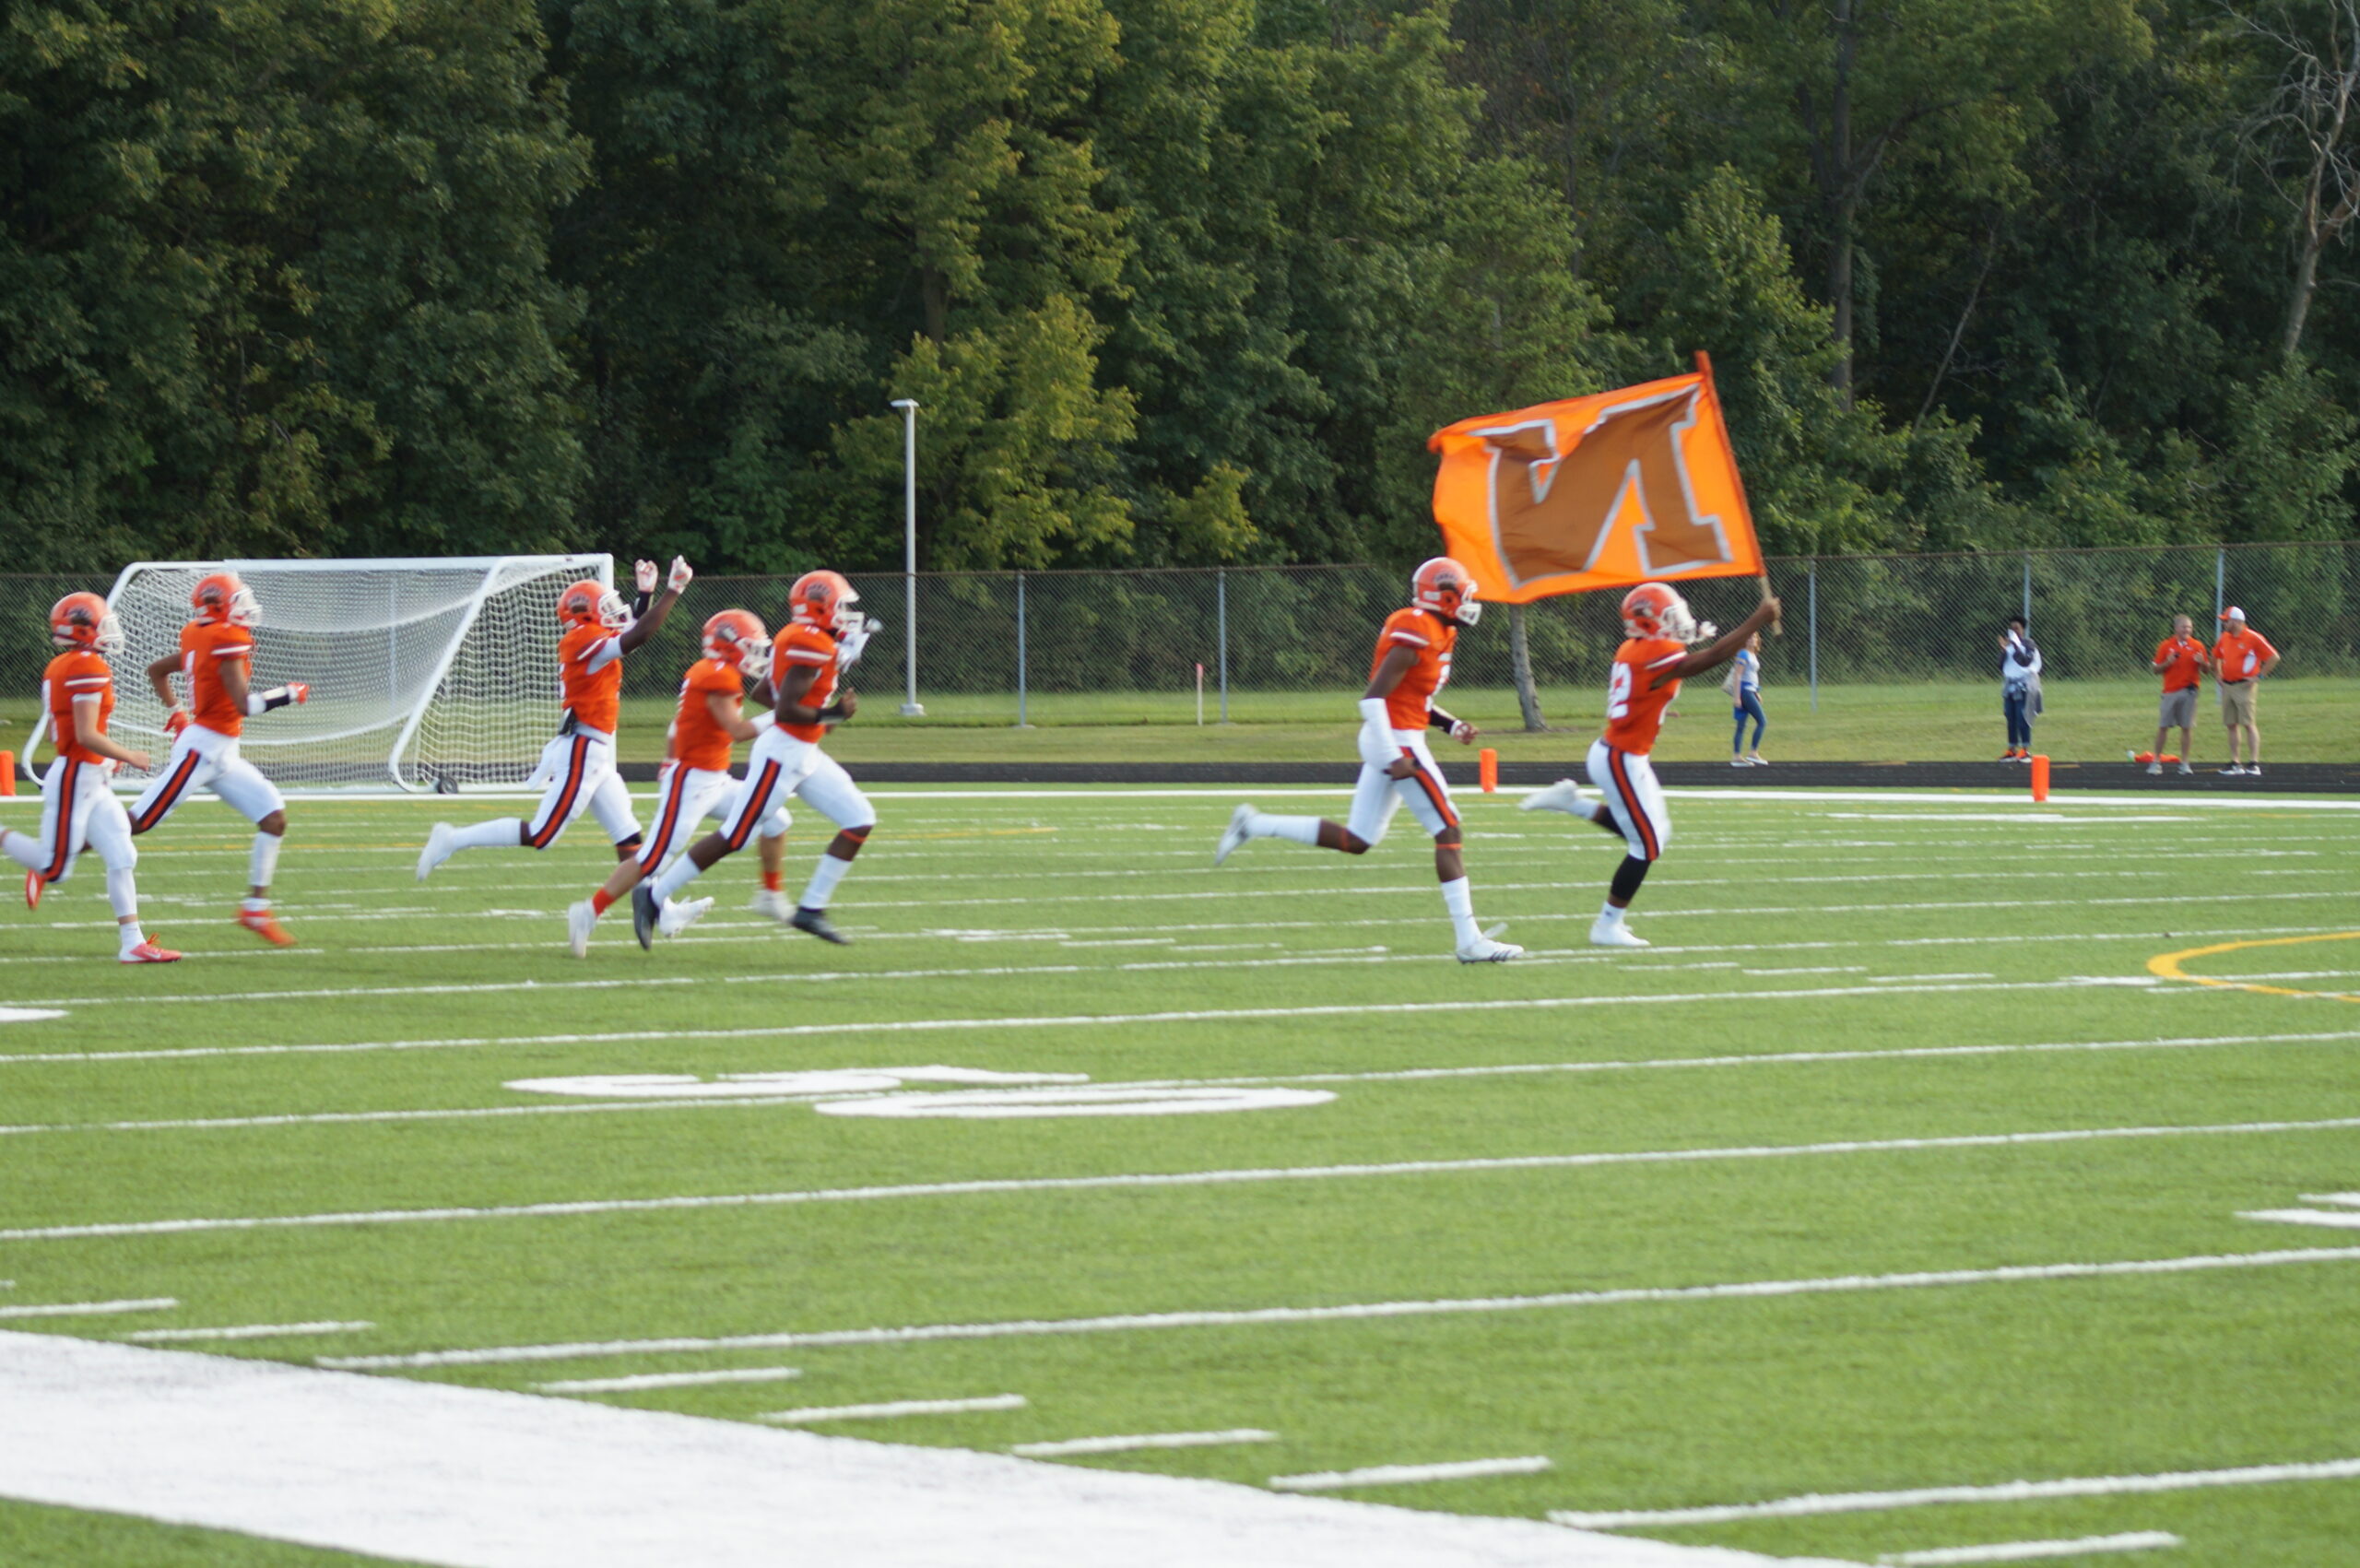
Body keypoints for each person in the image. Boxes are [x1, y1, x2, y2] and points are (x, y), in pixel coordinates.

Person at [1213, 559, 1520, 962]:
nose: (1468, 603)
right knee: (1448, 829)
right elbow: (1373, 698)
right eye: (1462, 596)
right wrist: (1394, 757)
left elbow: (1414, 699)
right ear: (1444, 598)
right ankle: (1469, 941)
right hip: (1393, 740)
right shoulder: (1417, 629)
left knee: (1358, 840)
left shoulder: (1439, 630)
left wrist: (1451, 725)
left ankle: (1253, 823)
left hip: (1397, 734)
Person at [1520, 582, 1780, 949]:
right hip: (1620, 757)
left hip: (1622, 753)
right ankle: (1607, 925)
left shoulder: (1636, 646)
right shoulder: (1652, 651)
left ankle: (1573, 803)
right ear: (1648, 624)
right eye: (1668, 617)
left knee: (1653, 835)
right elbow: (1706, 660)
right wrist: (1756, 619)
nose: (1677, 623)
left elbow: (1669, 669)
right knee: (1647, 845)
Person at [635, 570, 879, 948]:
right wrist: (832, 714)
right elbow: (784, 709)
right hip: (781, 755)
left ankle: (811, 909)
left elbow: (766, 691)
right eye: (841, 605)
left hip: (804, 752)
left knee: (860, 819)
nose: (848, 613)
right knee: (734, 835)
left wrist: (838, 663)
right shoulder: (806, 641)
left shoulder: (810, 638)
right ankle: (653, 894)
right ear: (820, 605)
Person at [417, 558, 690, 880]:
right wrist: (672, 590)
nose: (614, 611)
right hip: (582, 751)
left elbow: (632, 629)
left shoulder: (590, 634)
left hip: (595, 751)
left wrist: (645, 594)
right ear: (586, 613)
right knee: (542, 834)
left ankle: (657, 906)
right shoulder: (583, 638)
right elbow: (640, 634)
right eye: (605, 606)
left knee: (628, 836)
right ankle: (452, 838)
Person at [566, 608, 793, 956]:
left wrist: (670, 755)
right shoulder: (716, 675)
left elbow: (679, 725)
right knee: (653, 857)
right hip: (691, 784)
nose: (756, 653)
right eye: (750, 645)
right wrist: (783, 713)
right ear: (729, 644)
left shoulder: (717, 672)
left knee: (776, 819)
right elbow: (737, 731)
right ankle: (587, 912)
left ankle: (770, 894)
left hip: (714, 778)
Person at [132, 572, 312, 946]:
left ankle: (255, 909)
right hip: (202, 750)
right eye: (237, 601)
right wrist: (289, 693)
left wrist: (177, 711)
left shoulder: (201, 632)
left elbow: (157, 671)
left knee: (274, 818)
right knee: (138, 821)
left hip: (222, 751)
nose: (245, 607)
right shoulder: (224, 636)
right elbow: (244, 704)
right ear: (217, 607)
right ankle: (54, 852)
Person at [0, 595, 178, 961]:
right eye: (100, 622)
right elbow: (84, 734)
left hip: (89, 774)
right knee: (54, 869)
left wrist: (103, 761)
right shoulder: (86, 666)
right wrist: (128, 755)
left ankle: (133, 943)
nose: (108, 629)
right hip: (76, 777)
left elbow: (65, 729)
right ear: (82, 628)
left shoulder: (64, 664)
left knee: (122, 853)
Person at [2212, 606, 2279, 777]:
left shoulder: (2253, 637)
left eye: (2227, 621)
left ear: (2237, 621)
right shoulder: (2224, 637)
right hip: (2228, 685)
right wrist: (2218, 674)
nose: (2225, 624)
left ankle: (2254, 763)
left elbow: (2273, 657)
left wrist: (2259, 677)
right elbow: (2216, 656)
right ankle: (2235, 762)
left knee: (2248, 723)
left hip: (2244, 686)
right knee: (2231, 724)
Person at [2149, 614, 2207, 775]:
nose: (2187, 630)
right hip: (2170, 691)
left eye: (2189, 627)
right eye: (2184, 627)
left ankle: (2185, 763)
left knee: (2187, 727)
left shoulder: (2197, 646)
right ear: (2176, 628)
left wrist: (2202, 662)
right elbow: (2155, 669)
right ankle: (2156, 761)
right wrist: (2168, 663)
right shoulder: (2166, 645)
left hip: (2189, 691)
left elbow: (2207, 670)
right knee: (2163, 726)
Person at [1999, 616, 2041, 761]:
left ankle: (2025, 749)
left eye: (2017, 628)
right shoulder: (2009, 646)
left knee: (2022, 717)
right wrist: (2004, 650)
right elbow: (2001, 666)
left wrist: (2016, 646)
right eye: (2012, 628)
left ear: (2023, 630)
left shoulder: (2028, 645)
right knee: (2010, 717)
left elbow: (2024, 662)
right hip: (2010, 685)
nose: (2014, 631)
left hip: (2024, 686)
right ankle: (2011, 749)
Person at [1726, 631, 1767, 765]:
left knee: (1741, 726)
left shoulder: (1752, 654)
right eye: (1749, 637)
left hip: (1750, 691)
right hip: (1744, 692)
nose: (1752, 639)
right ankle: (1753, 753)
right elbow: (1738, 676)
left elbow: (1752, 677)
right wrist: (1737, 697)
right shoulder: (1743, 653)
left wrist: (1757, 692)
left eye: (1754, 637)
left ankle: (1737, 757)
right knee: (1762, 721)